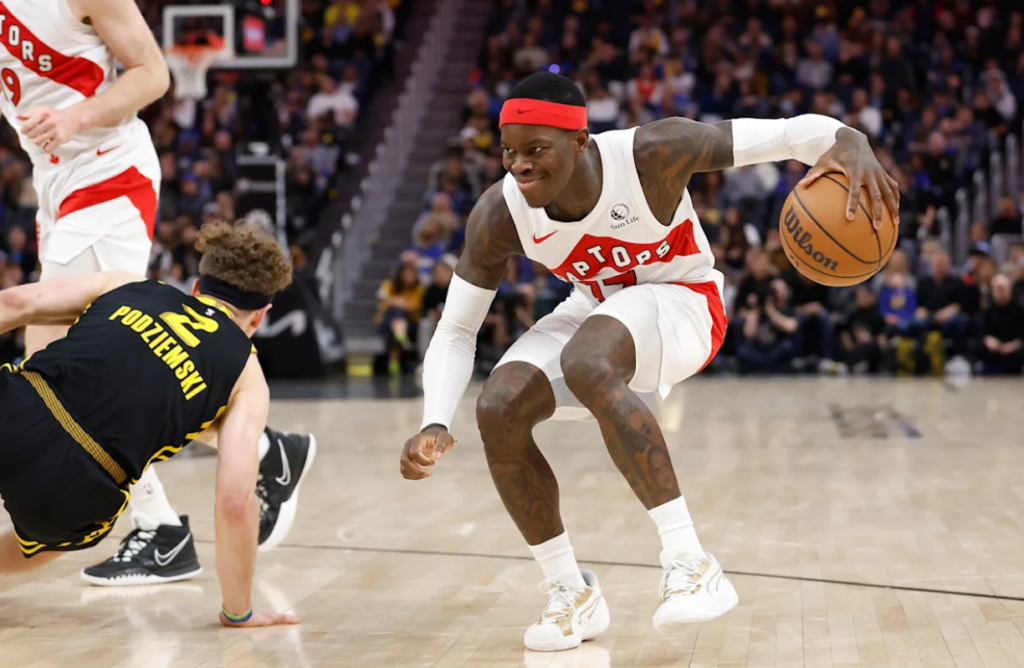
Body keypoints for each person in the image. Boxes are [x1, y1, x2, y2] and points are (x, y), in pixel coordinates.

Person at [398, 72, 898, 651]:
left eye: (535, 149)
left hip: (687, 301)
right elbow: (458, 329)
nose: (519, 166)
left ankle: (691, 562)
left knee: (588, 359)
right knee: (498, 405)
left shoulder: (652, 154)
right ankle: (570, 593)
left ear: (580, 141)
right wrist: (435, 419)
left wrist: (849, 139)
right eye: (509, 151)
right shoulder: (500, 212)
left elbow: (787, 136)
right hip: (596, 307)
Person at [0, 0, 314, 586]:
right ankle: (268, 454)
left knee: (55, 374)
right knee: (86, 378)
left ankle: (162, 528)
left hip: (106, 172)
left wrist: (75, 118)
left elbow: (154, 73)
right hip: (55, 181)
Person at [0, 222, 300, 627]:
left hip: (17, 408)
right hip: (75, 486)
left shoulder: (129, 284)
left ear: (197, 287)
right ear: (260, 317)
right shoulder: (248, 379)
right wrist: (238, 611)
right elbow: (234, 500)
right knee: (52, 539)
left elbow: (16, 303)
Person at [978, 274, 1024, 375]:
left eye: (1003, 289)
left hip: (1014, 351)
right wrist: (988, 340)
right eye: (998, 289)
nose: (1001, 292)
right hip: (994, 350)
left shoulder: (1020, 310)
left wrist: (1014, 345)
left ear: (1010, 290)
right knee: (979, 348)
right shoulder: (987, 310)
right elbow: (982, 331)